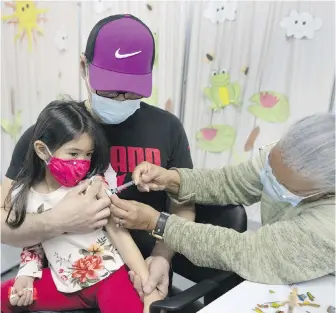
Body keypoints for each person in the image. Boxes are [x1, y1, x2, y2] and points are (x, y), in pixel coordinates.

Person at [1, 14, 195, 301]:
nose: (119, 99)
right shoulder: (48, 135)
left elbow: (184, 207)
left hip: (138, 279)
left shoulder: (168, 129)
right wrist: (58, 221)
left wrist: (162, 256)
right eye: (110, 89)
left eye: (131, 91)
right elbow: (3, 223)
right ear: (83, 66)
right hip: (61, 273)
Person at [109, 114, 335, 285]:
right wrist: (172, 179)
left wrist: (156, 223)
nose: (270, 178)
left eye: (284, 185)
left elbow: (253, 253)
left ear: (324, 191)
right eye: (270, 168)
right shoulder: (285, 157)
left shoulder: (328, 225)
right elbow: (229, 182)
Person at [1, 101, 161, 313]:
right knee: (6, 296)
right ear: (42, 150)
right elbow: (32, 243)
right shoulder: (25, 195)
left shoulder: (94, 186)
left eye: (88, 154)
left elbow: (120, 236)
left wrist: (149, 289)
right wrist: (25, 276)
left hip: (109, 278)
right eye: (73, 153)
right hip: (63, 284)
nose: (83, 162)